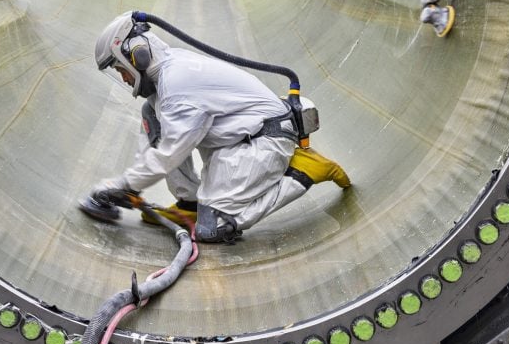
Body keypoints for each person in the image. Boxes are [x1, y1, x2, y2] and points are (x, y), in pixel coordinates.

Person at [80, 13, 351, 244]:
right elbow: (159, 147)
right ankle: (189, 205)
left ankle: (303, 171)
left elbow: (170, 154)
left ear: (136, 55)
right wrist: (131, 188)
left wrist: (124, 185)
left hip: (265, 140)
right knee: (151, 112)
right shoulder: (167, 76)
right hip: (240, 138)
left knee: (213, 229)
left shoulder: (177, 84)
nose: (124, 79)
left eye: (120, 69)